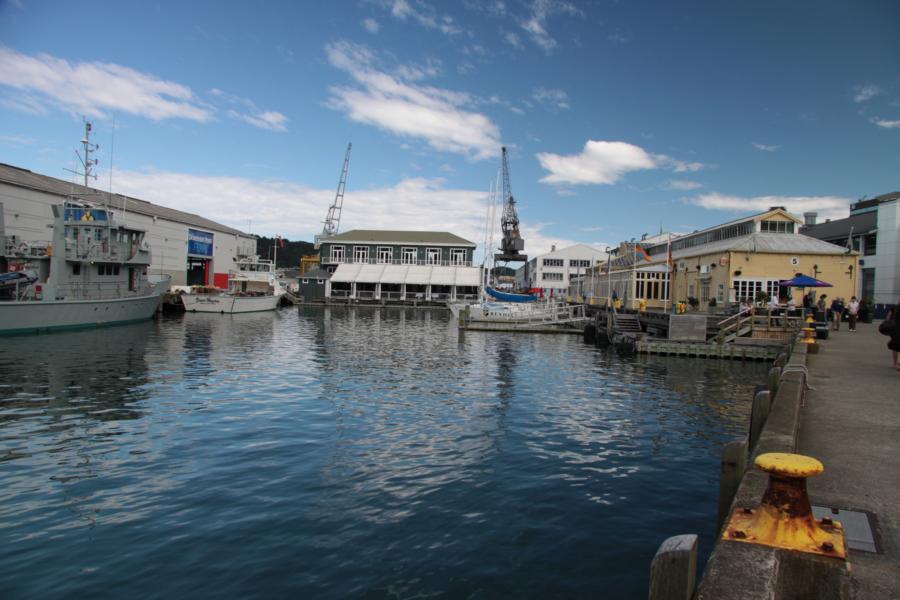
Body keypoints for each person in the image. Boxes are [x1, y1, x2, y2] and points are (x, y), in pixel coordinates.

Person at [885, 301, 900, 371]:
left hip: (894, 329)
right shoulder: (895, 307)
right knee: (895, 347)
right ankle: (895, 364)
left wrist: (887, 324)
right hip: (896, 330)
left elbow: (888, 317)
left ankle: (895, 363)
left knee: (895, 347)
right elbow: (888, 317)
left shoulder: (894, 307)